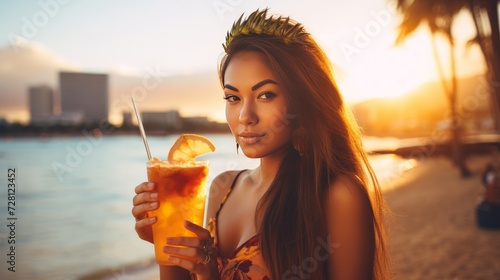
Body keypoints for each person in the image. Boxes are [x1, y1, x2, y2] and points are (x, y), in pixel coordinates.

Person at [132, 8, 390, 280]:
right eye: (233, 98)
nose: (245, 116)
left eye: (266, 95)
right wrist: (166, 242)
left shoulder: (338, 195)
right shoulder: (223, 189)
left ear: (303, 100)